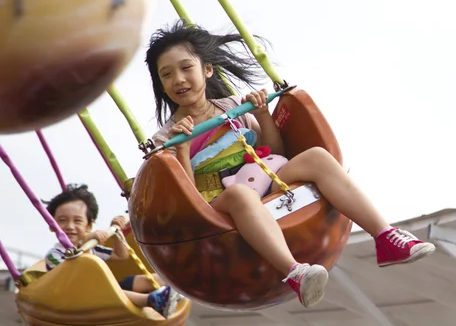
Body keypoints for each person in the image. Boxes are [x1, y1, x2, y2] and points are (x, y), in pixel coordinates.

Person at [146, 20, 436, 308]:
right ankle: (294, 272)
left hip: (261, 175)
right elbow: (186, 198)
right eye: (167, 74)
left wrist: (262, 115)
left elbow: (274, 152)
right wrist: (180, 149)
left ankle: (386, 237)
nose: (179, 80)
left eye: (186, 68)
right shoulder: (166, 137)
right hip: (217, 202)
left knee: (317, 158)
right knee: (240, 195)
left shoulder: (233, 107)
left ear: (207, 70)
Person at [44, 184, 180, 318]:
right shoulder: (54, 255)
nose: (70, 226)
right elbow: (73, 275)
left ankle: (175, 284)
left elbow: (121, 255)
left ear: (89, 225)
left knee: (133, 281)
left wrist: (116, 233)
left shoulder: (93, 247)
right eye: (62, 220)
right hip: (80, 299)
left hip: (100, 292)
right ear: (52, 226)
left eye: (77, 220)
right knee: (107, 290)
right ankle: (151, 300)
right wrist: (86, 245)